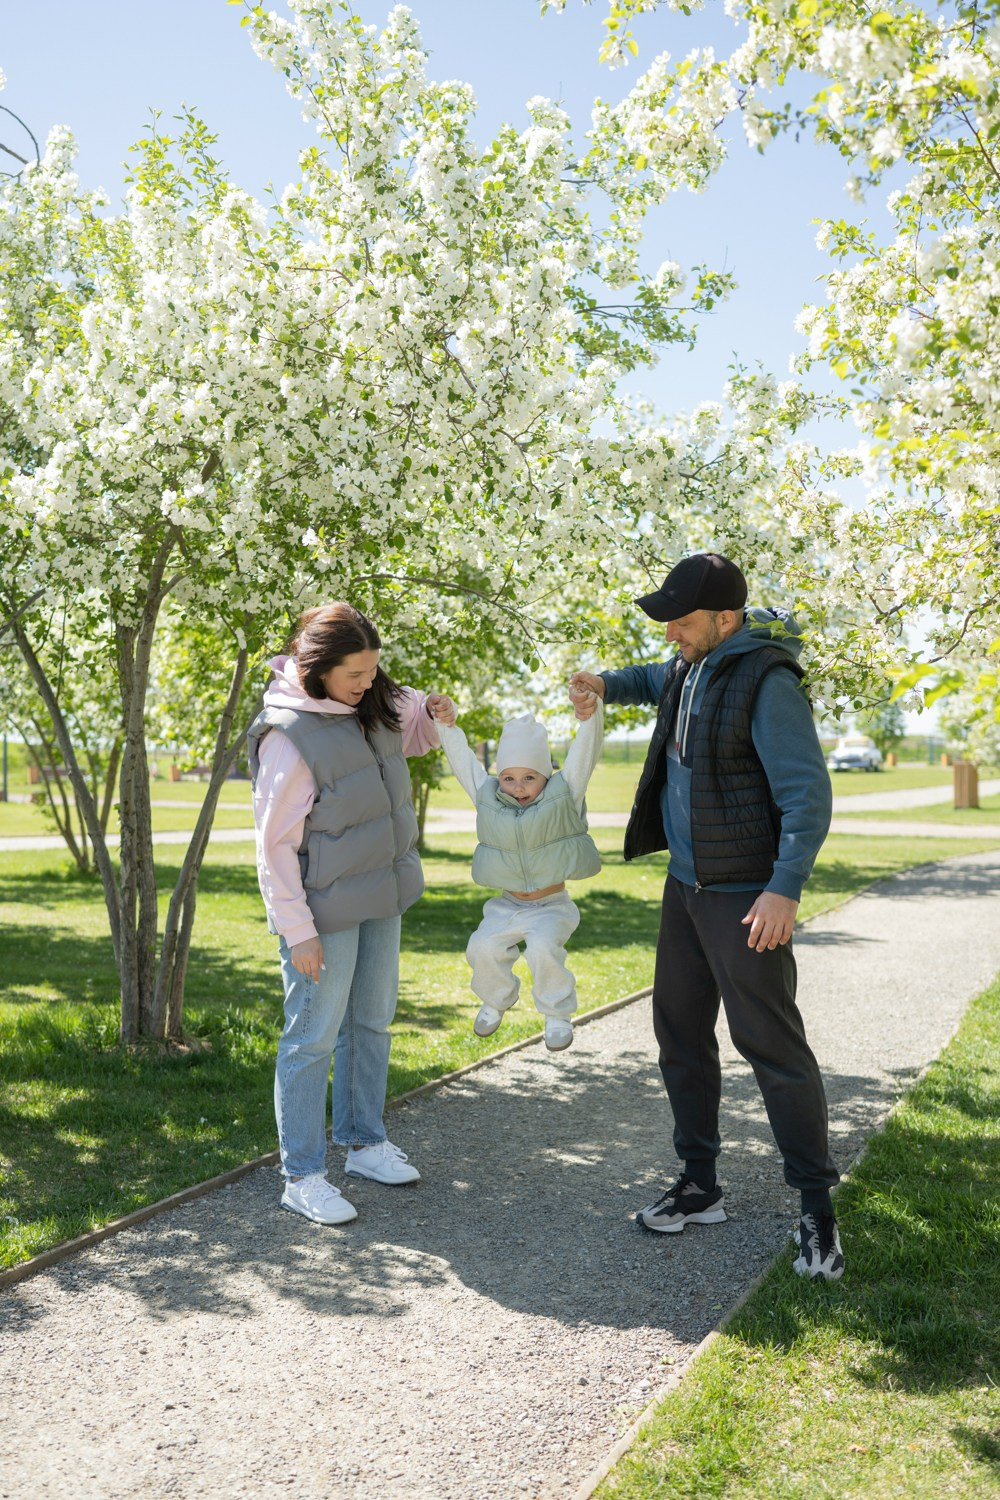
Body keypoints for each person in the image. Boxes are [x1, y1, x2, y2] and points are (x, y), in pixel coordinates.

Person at [570, 552, 843, 1280]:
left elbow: (807, 796)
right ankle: (700, 1185)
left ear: (727, 619)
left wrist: (784, 888)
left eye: (682, 623)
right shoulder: (692, 666)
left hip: (747, 896)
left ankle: (817, 1210)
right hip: (686, 890)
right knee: (680, 1035)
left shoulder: (768, 681)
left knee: (772, 1048)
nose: (671, 637)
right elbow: (652, 678)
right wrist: (604, 683)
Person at [247, 603, 457, 1226]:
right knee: (311, 1039)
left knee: (372, 1021)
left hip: (381, 896)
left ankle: (364, 1144)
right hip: (322, 917)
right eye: (353, 674)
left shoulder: (374, 705)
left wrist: (434, 710)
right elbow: (273, 847)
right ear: (317, 669)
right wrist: (298, 931)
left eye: (373, 669)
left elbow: (413, 734)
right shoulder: (290, 735)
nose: (367, 682)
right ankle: (303, 1174)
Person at [432, 694, 603, 1052]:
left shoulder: (565, 793)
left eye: (530, 777)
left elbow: (583, 756)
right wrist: (446, 726)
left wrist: (591, 717)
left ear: (547, 775)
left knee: (541, 949)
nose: (519, 786)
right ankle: (497, 999)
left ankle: (557, 1013)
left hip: (551, 906)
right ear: (498, 776)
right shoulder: (488, 796)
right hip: (506, 906)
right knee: (480, 947)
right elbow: (463, 762)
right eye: (509, 777)